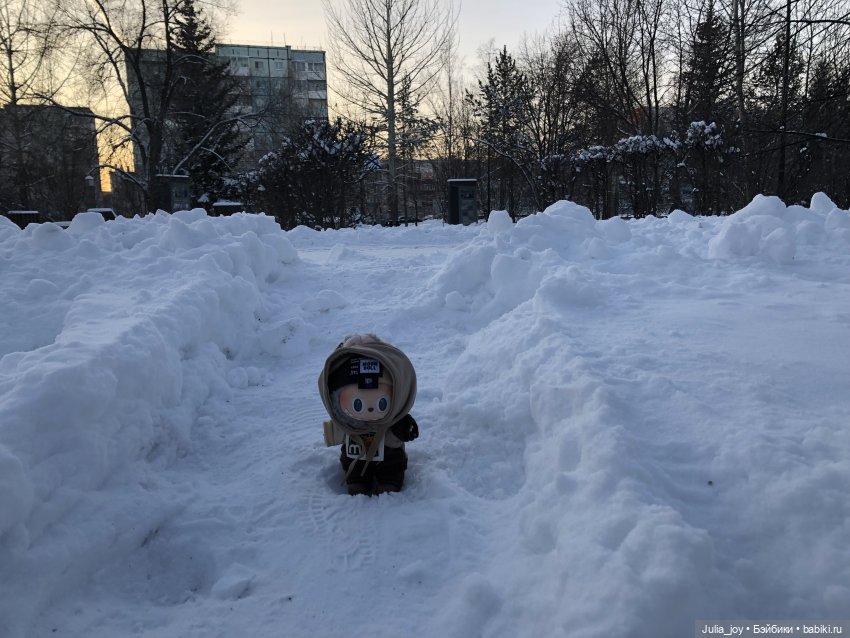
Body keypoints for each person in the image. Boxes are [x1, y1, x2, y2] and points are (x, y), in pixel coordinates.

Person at [318, 334, 418, 496]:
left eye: (382, 403)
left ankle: (389, 481)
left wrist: (402, 428)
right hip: (355, 457)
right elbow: (333, 434)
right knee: (354, 467)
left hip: (389, 458)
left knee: (392, 464)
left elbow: (402, 433)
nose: (371, 409)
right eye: (357, 404)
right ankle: (357, 480)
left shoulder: (391, 421)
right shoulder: (346, 424)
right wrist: (332, 433)